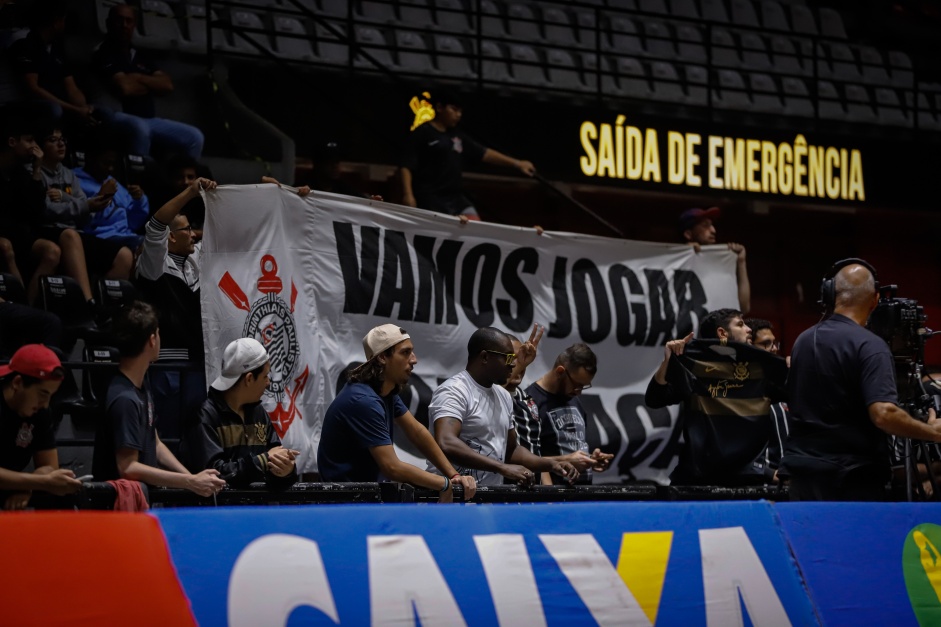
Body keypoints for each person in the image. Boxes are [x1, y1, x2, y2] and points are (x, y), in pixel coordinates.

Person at [779, 260, 941, 501]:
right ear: (875, 300)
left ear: (831, 294)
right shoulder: (870, 345)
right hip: (851, 481)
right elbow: (884, 414)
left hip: (803, 476)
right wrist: (932, 432)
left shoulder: (803, 339)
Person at [318, 324, 477, 503]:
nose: (414, 360)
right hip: (344, 503)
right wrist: (444, 483)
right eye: (405, 352)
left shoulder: (383, 392)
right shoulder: (363, 400)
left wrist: (453, 474)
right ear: (382, 358)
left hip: (364, 498)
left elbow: (417, 432)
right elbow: (392, 467)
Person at [92, 300, 225, 497]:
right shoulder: (124, 399)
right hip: (116, 510)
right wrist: (189, 481)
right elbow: (128, 468)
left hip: (140, 501)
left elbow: (156, 445)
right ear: (152, 339)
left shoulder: (141, 386)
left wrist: (193, 479)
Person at [645, 308, 788, 486]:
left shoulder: (762, 369)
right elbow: (654, 399)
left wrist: (794, 371)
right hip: (698, 481)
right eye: (740, 324)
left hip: (748, 481)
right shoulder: (694, 364)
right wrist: (668, 360)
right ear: (722, 332)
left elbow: (803, 402)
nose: (749, 329)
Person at [430, 327, 579, 486]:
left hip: (487, 500)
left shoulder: (503, 395)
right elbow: (446, 442)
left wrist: (550, 464)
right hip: (451, 497)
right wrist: (502, 467)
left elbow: (512, 450)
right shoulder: (454, 390)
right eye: (508, 358)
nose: (513, 364)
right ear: (485, 357)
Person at [400, 90, 536, 220]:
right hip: (431, 197)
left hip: (456, 197)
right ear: (439, 107)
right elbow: (406, 166)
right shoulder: (422, 133)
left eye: (460, 111)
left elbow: (484, 153)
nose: (458, 115)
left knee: (474, 226)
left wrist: (517, 164)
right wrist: (408, 194)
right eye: (454, 109)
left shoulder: (457, 135)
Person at [181, 338, 298, 489]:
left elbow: (275, 458)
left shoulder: (259, 413)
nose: (268, 382)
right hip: (217, 511)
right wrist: (262, 461)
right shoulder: (204, 416)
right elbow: (214, 475)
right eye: (265, 376)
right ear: (249, 379)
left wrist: (286, 471)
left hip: (256, 510)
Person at [32, 125, 134, 296]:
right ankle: (87, 304)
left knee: (124, 255)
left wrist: (66, 198)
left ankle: (111, 312)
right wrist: (84, 205)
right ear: (39, 147)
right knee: (70, 235)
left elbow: (86, 214)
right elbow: (46, 210)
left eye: (62, 140)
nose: (61, 145)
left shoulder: (68, 175)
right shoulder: (34, 174)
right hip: (47, 230)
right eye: (53, 140)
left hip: (76, 231)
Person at [92, 4, 204, 159]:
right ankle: (142, 179)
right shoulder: (102, 52)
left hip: (148, 118)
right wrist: (150, 84)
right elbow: (125, 88)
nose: (124, 25)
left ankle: (185, 181)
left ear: (134, 25)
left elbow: (167, 85)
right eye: (119, 20)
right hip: (116, 115)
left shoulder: (139, 55)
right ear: (109, 23)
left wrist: (137, 78)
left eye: (128, 21)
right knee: (140, 128)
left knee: (194, 136)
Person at [0, 344, 82, 509]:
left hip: (12, 486)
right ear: (17, 383)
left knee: (62, 494)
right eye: (42, 394)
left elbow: (49, 466)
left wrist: (28, 487)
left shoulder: (40, 412)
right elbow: (45, 479)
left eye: (51, 396)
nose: (45, 404)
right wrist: (39, 482)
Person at [526, 343, 613, 485]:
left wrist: (590, 459)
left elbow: (571, 449)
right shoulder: (530, 401)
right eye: (577, 385)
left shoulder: (574, 400)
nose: (579, 392)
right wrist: (549, 499)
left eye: (584, 386)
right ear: (560, 372)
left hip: (581, 496)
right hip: (554, 498)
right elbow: (527, 459)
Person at [8, 0, 97, 126]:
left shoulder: (56, 46)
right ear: (56, 22)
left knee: (101, 113)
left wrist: (84, 108)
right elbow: (32, 89)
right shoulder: (25, 42)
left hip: (61, 102)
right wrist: (75, 110)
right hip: (27, 103)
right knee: (54, 110)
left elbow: (71, 87)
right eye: (64, 20)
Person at [74, 136, 149, 249]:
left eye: (113, 164)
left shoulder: (113, 183)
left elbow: (134, 223)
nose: (110, 168)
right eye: (105, 163)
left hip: (126, 236)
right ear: (90, 158)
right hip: (99, 238)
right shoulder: (75, 181)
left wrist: (139, 200)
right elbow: (81, 222)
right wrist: (101, 197)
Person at [679, 207, 751, 314]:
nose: (713, 230)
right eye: (705, 225)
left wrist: (741, 262)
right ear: (688, 234)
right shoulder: (677, 262)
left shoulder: (723, 261)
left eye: (712, 225)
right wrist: (684, 253)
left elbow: (743, 308)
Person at [746, 318, 790, 483]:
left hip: (789, 481)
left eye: (774, 343)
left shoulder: (784, 383)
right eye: (766, 344)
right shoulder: (739, 389)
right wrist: (769, 473)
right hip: (757, 483)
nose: (773, 349)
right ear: (749, 346)